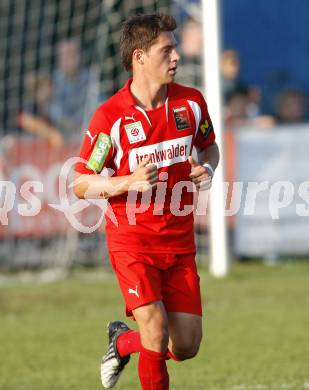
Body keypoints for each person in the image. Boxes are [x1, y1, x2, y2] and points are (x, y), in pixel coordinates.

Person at [74, 13, 219, 389]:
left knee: (185, 344)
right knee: (154, 328)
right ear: (139, 57)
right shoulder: (111, 117)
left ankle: (123, 342)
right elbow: (80, 184)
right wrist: (128, 181)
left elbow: (210, 147)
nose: (176, 57)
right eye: (166, 49)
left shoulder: (191, 103)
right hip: (133, 241)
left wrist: (208, 168)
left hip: (179, 241)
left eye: (175, 49)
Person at [18, 73, 64, 147]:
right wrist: (51, 133)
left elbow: (60, 122)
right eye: (47, 87)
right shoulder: (30, 104)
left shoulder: (49, 107)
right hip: (21, 145)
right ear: (37, 91)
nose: (52, 91)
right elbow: (25, 120)